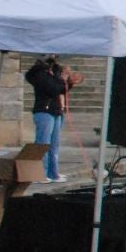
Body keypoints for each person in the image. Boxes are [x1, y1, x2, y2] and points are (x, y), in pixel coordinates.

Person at [24, 55, 79, 183]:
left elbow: (62, 90)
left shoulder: (55, 73)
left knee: (54, 145)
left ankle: (53, 173)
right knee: (43, 143)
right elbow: (53, 89)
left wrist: (69, 82)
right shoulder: (39, 74)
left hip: (56, 110)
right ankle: (40, 173)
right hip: (44, 111)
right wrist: (64, 80)